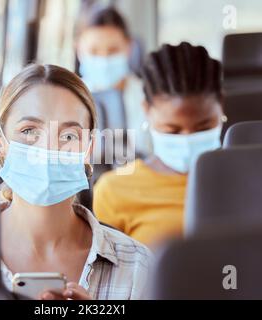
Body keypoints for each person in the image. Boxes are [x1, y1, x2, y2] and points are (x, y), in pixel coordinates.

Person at [0, 64, 153, 300]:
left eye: (69, 136)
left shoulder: (139, 268)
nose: (47, 148)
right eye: (28, 130)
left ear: (89, 149)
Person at [93, 42, 226, 249]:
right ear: (146, 110)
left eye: (203, 127)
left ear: (221, 106)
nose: (187, 139)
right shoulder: (113, 191)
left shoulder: (250, 178)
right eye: (172, 130)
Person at [75, 5, 150, 156]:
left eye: (113, 50)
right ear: (78, 49)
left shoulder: (149, 97)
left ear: (129, 48)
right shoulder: (70, 97)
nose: (104, 60)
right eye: (94, 51)